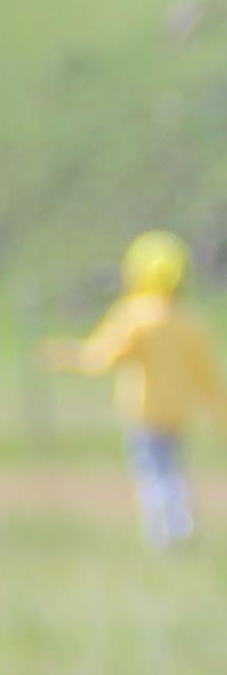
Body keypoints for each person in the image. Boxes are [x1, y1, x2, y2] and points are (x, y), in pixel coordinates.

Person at [40, 231, 224, 551]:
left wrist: (63, 356)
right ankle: (181, 525)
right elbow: (208, 377)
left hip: (145, 413)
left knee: (153, 473)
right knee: (173, 471)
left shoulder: (135, 317)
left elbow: (99, 359)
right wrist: (220, 413)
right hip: (179, 413)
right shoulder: (190, 321)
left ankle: (163, 535)